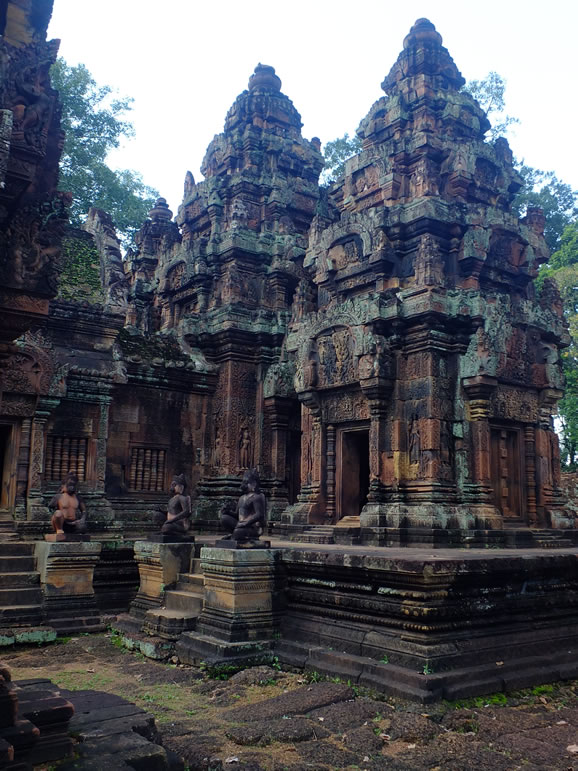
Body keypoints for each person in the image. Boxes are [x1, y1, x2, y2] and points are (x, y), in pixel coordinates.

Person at [220, 469, 266, 543]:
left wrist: (246, 523)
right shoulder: (242, 498)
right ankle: (234, 535)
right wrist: (227, 512)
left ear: (255, 484)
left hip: (252, 527)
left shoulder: (257, 497)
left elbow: (259, 515)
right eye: (245, 482)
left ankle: (237, 536)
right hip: (241, 524)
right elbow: (237, 514)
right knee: (224, 518)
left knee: (238, 531)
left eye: (249, 482)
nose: (246, 485)